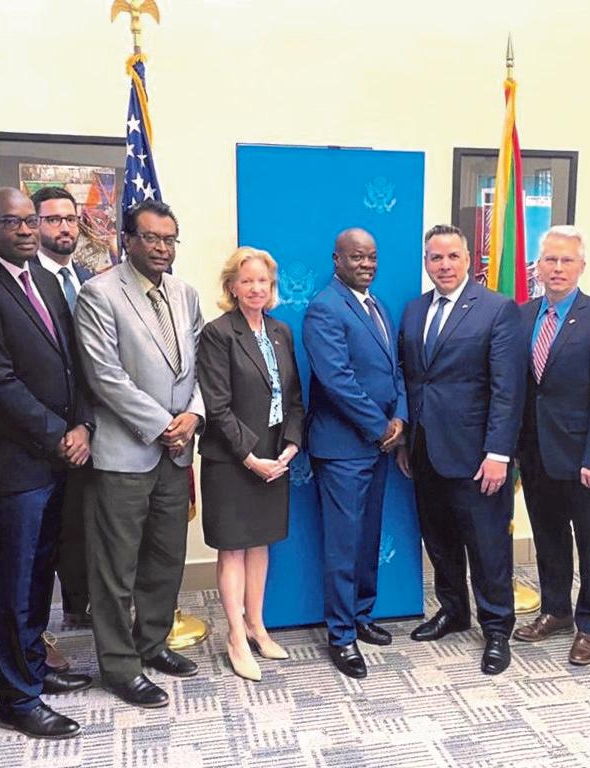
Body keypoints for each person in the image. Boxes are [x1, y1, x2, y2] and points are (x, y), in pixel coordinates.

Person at [0, 188, 93, 740]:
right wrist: (59, 435)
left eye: (31, 220)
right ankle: (16, 699)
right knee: (12, 583)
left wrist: (84, 426)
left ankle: (34, 667)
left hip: (59, 459)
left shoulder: (46, 282)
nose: (27, 230)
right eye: (12, 222)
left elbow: (74, 364)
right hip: (14, 464)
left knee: (38, 575)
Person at [74, 199, 204, 709]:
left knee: (166, 558)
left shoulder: (185, 294)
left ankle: (152, 643)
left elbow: (201, 366)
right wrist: (160, 426)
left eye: (169, 239)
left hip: (177, 451)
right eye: (151, 237)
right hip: (125, 453)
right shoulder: (99, 293)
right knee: (115, 568)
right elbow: (104, 375)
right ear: (127, 240)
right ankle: (119, 666)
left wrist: (192, 416)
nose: (162, 248)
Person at [397, 224, 524, 675]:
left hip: (477, 455)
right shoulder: (415, 310)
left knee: (488, 546)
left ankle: (497, 628)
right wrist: (406, 439)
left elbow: (508, 389)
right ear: (426, 263)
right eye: (436, 257)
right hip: (425, 449)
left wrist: (498, 454)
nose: (445, 265)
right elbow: (410, 378)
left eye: (453, 256)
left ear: (469, 260)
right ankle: (453, 611)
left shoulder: (496, 309)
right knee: (440, 539)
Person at [513, 226, 590, 666]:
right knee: (548, 537)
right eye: (550, 260)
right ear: (537, 267)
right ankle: (556, 610)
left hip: (584, 457)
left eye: (566, 261)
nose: (557, 268)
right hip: (535, 452)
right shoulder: (522, 315)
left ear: (581, 267)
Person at [303, 228, 407, 679]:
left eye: (372, 256)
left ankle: (362, 614)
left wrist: (399, 418)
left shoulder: (377, 305)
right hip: (343, 448)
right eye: (357, 257)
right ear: (337, 259)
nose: (366, 264)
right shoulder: (325, 307)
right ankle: (341, 635)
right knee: (344, 545)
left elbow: (395, 369)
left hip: (379, 444)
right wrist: (379, 426)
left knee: (367, 540)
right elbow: (336, 379)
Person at [197, 246, 304, 682]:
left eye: (263, 281)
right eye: (247, 281)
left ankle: (257, 626)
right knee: (234, 548)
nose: (257, 288)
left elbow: (293, 397)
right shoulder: (218, 333)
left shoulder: (281, 331)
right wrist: (249, 457)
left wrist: (291, 444)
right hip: (232, 461)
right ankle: (236, 637)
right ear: (232, 287)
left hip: (274, 457)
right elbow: (217, 406)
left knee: (261, 545)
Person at [31, 186, 95, 676]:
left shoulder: (89, 279)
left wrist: (87, 425)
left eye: (70, 218)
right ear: (34, 226)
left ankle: (79, 606)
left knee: (80, 528)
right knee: (37, 548)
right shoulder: (24, 281)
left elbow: (94, 363)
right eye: (52, 219)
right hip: (39, 439)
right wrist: (63, 431)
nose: (64, 227)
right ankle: (33, 641)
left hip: (89, 430)